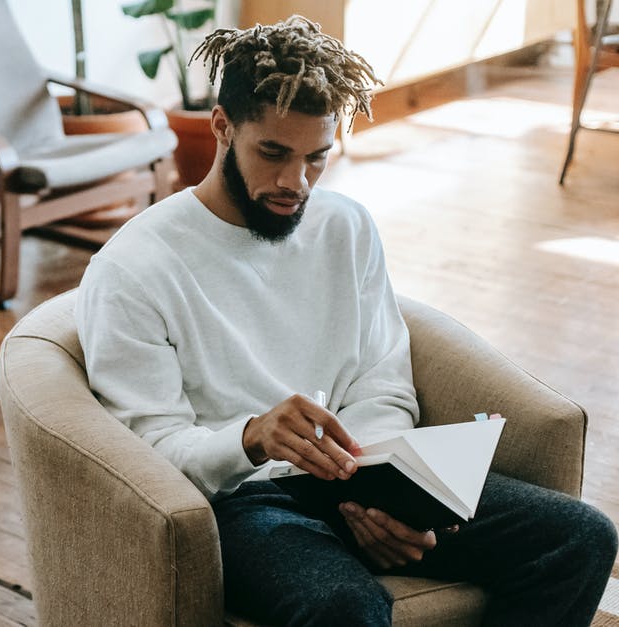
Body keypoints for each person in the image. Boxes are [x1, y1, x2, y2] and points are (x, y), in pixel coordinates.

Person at [76, 15, 617, 626]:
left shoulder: (345, 226)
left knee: (580, 536)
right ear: (222, 127)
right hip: (243, 503)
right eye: (273, 153)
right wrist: (251, 436)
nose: (295, 183)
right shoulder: (133, 268)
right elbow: (145, 452)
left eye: (317, 158)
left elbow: (383, 378)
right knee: (343, 607)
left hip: (357, 480)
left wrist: (373, 496)